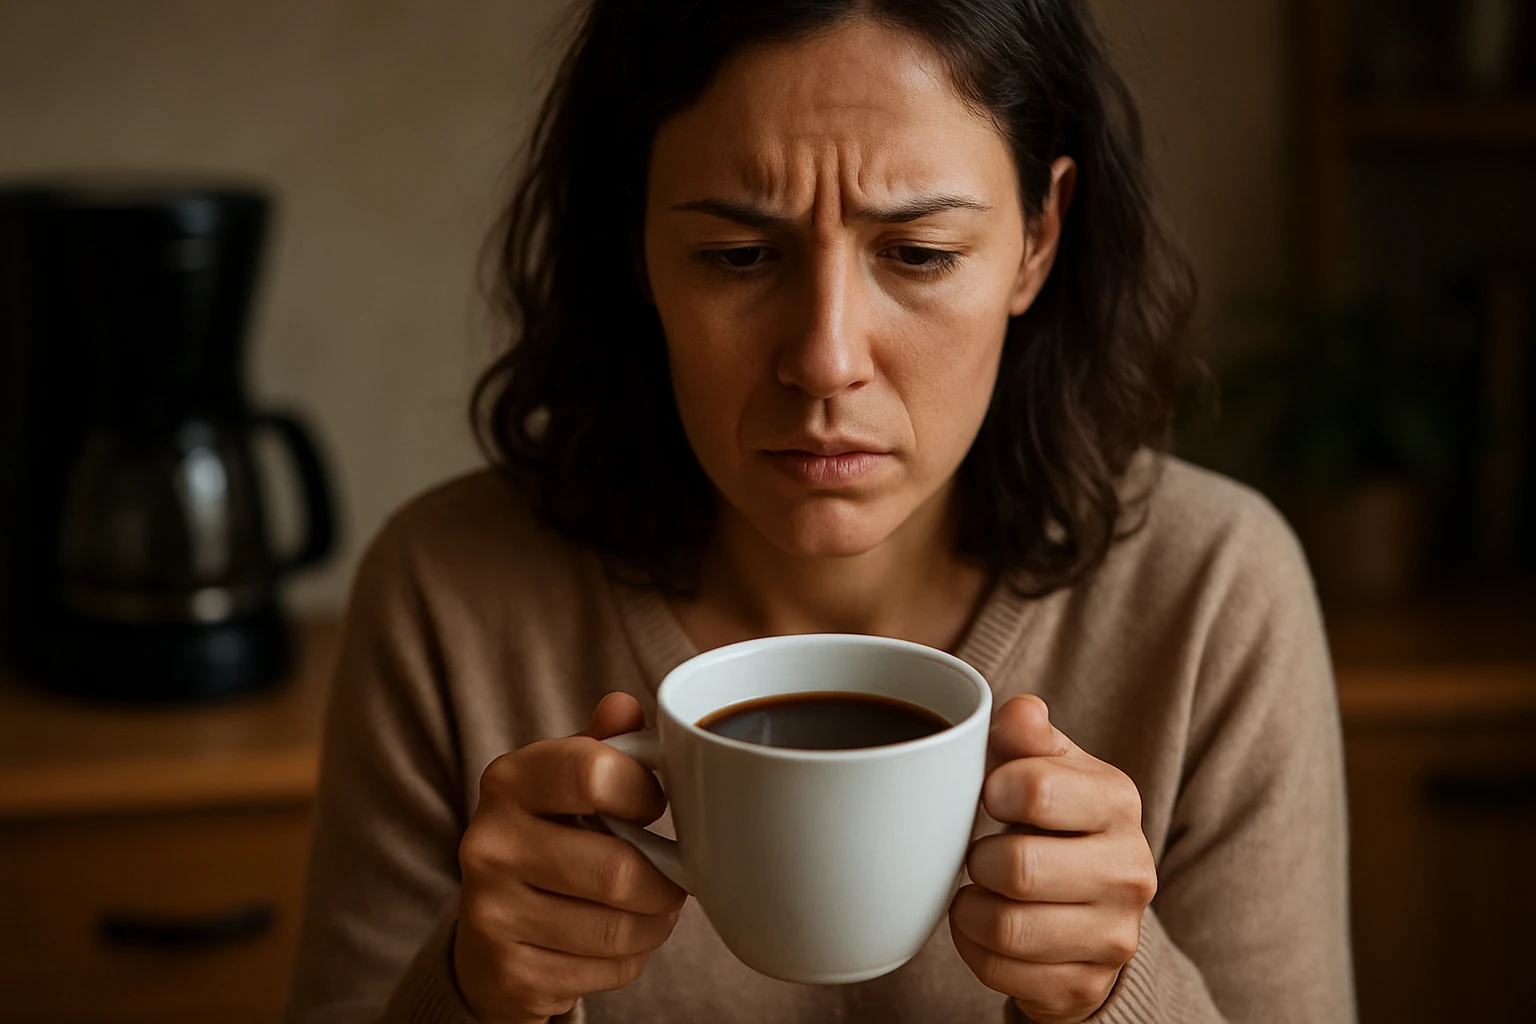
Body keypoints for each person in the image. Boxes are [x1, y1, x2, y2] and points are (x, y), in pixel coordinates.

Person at [285, 1, 1356, 1022]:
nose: (826, 358)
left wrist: (1111, 993)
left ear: (1038, 238)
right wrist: (477, 993)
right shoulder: (446, 599)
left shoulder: (1214, 595)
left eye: (920, 254)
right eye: (738, 256)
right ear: (635, 239)